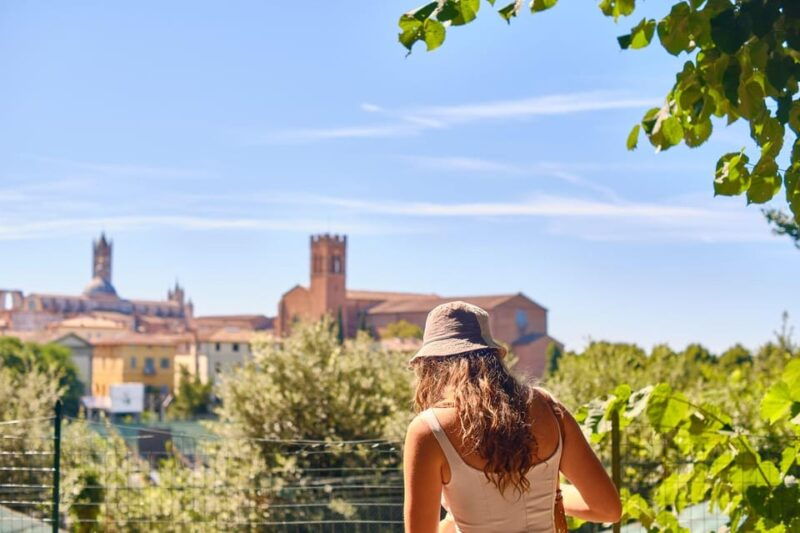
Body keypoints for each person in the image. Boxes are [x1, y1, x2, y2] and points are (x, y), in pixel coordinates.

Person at [403, 301, 621, 533]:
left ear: (430, 367)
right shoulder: (549, 409)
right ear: (494, 358)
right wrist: (547, 493)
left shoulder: (429, 430)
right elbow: (607, 508)